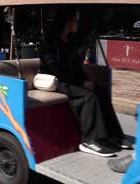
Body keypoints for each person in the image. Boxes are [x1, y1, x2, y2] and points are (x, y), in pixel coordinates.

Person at [41, 9, 131, 157]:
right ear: (67, 22)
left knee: (100, 91)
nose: (77, 23)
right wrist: (81, 83)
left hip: (69, 80)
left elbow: (76, 66)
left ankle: (114, 135)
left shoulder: (69, 41)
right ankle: (89, 140)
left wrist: (86, 80)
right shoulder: (50, 43)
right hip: (53, 80)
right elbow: (56, 70)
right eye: (75, 20)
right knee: (88, 96)